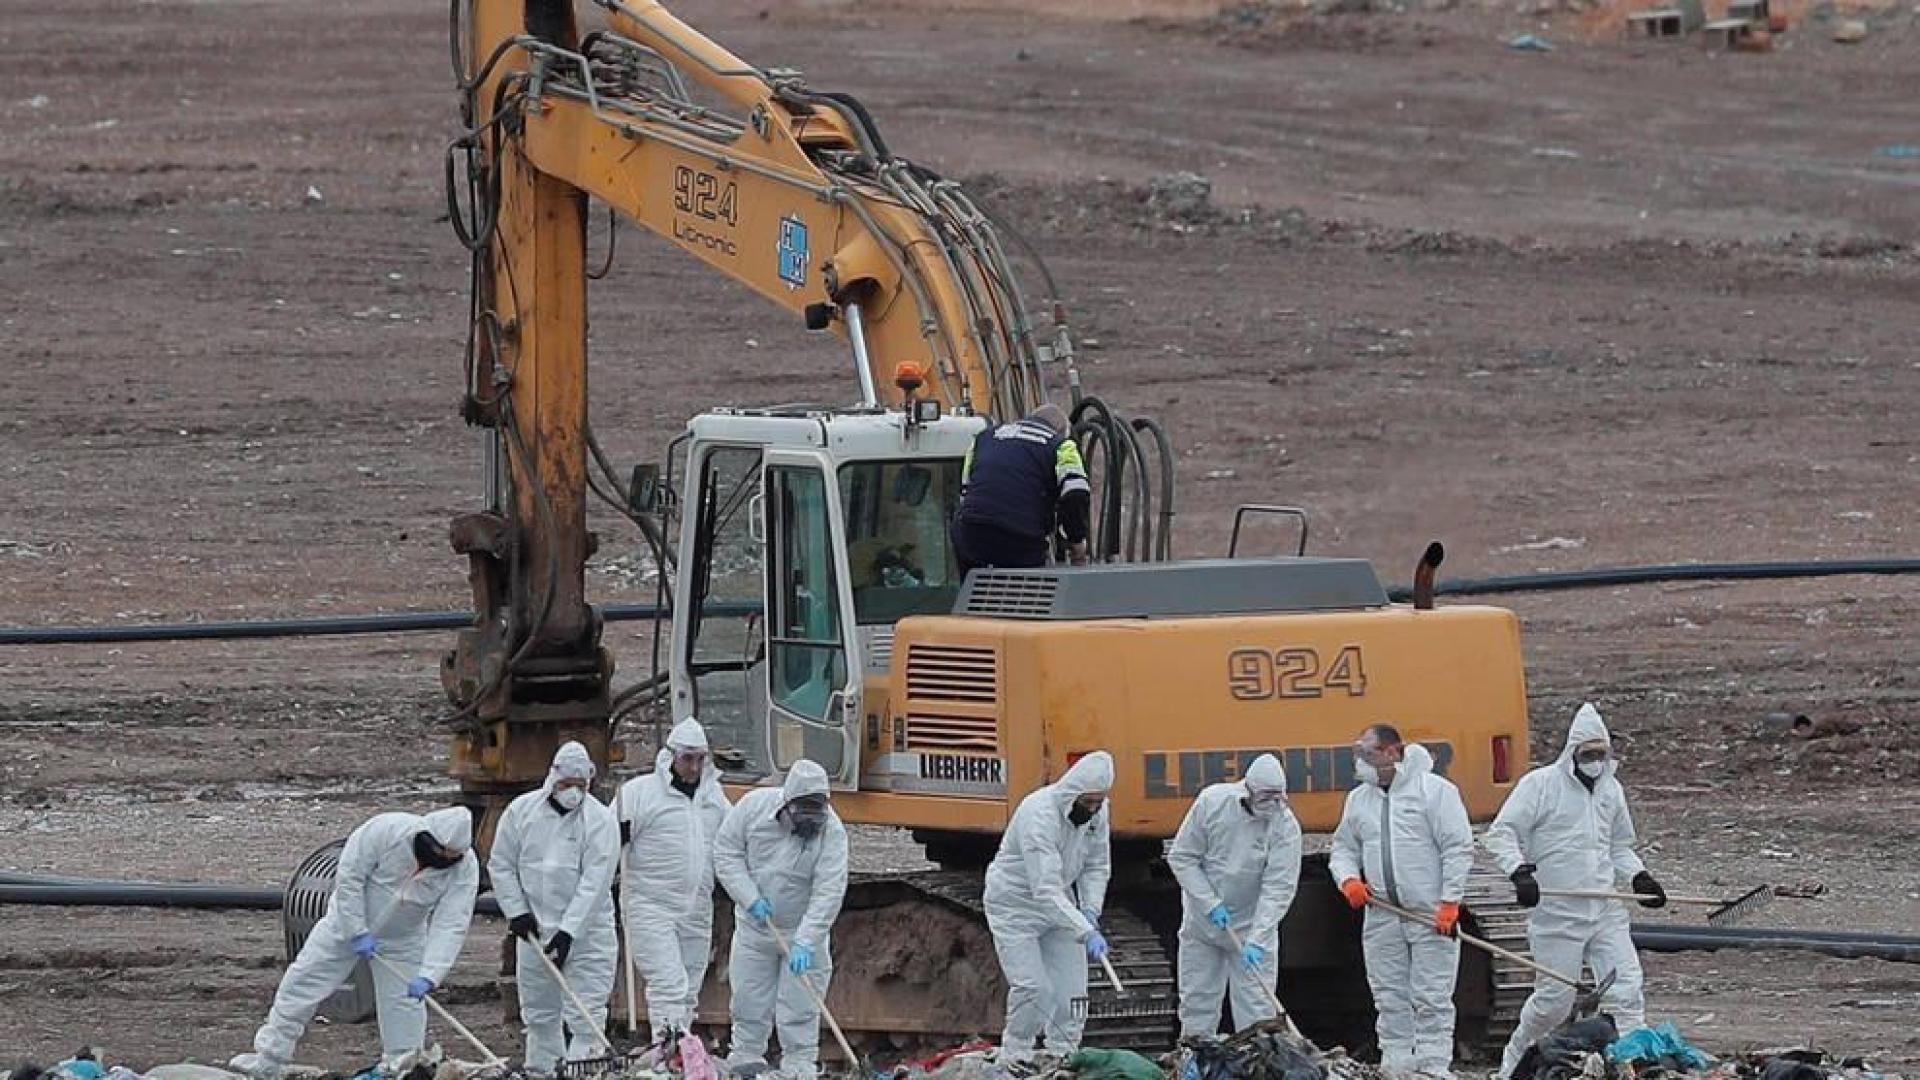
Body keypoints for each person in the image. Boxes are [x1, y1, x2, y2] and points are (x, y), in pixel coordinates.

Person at [1484, 703, 1665, 1079]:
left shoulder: (1611, 790)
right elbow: (1502, 833)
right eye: (1588, 754)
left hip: (1604, 908)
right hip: (1557, 912)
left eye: (1601, 754)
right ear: (1572, 753)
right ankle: (1514, 1062)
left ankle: (1630, 1066)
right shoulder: (1540, 786)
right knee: (1553, 1002)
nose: (1595, 761)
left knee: (1627, 990)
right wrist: (1519, 872)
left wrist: (1639, 877)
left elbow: (1619, 846)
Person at [230, 807, 479, 1078]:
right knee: (302, 983)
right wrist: (355, 929)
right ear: (425, 837)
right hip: (343, 927)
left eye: (449, 857)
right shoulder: (385, 831)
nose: (442, 859)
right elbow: (350, 877)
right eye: (438, 851)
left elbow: (452, 922)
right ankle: (270, 1058)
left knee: (404, 1007)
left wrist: (430, 974)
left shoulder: (464, 867)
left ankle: (402, 1068)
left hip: (402, 938)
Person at [1330, 725, 1473, 1080]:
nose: (1360, 763)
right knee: (1388, 991)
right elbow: (1344, 847)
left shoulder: (1434, 792)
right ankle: (1396, 1061)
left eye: (1368, 754)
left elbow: (1457, 847)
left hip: (1429, 913)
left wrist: (1450, 901)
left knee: (1432, 994)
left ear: (1393, 752)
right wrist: (1348, 879)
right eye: (1358, 755)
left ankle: (1433, 1064)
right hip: (1382, 913)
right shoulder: (1359, 799)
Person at [713, 759, 850, 1080]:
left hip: (802, 934)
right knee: (748, 997)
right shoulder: (753, 808)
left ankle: (799, 1063)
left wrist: (806, 940)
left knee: (801, 1003)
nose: (809, 821)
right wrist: (749, 898)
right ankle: (746, 1054)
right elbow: (726, 851)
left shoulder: (832, 831)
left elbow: (829, 890)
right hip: (755, 928)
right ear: (787, 803)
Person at [489, 741, 621, 1072]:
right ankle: (542, 1070)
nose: (573, 793)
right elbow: (502, 864)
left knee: (586, 1015)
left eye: (580, 786)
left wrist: (568, 932)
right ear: (553, 779)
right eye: (567, 785)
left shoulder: (600, 821)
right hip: (535, 933)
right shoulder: (521, 813)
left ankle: (583, 1071)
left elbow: (595, 883)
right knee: (539, 1013)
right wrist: (516, 911)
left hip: (588, 936)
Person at [983, 750, 1115, 1062]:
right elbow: (1044, 888)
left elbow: (1097, 864)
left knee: (1074, 993)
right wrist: (1084, 931)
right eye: (1089, 802)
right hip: (1015, 903)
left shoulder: (1098, 812)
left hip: (1060, 904)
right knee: (1033, 988)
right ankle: (1016, 1053)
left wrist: (1090, 910)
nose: (1095, 809)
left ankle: (1064, 1055)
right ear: (1073, 795)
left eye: (1100, 802)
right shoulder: (1039, 815)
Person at [1167, 753, 1303, 1038]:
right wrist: (1209, 902)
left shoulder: (1285, 826)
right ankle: (1194, 1061)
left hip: (1253, 929)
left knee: (1258, 1008)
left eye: (1277, 797)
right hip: (1204, 924)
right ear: (1248, 791)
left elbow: (1278, 887)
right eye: (1265, 796)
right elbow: (1183, 857)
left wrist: (1258, 937)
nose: (1272, 804)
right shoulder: (1212, 803)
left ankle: (1256, 1063)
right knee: (1197, 1001)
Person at [616, 717, 733, 1040]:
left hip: (696, 907)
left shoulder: (713, 799)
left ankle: (681, 1054)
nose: (694, 767)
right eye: (687, 758)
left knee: (688, 990)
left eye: (700, 759)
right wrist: (617, 835)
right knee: (668, 983)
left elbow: (734, 840)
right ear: (671, 757)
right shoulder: (639, 795)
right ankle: (667, 1050)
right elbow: (603, 848)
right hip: (650, 906)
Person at [951, 403, 1092, 576]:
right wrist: (1076, 540)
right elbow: (1075, 493)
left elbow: (965, 491)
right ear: (1062, 430)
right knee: (1028, 593)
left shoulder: (983, 438)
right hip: (1020, 536)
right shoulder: (1062, 445)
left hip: (971, 532)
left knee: (975, 591)